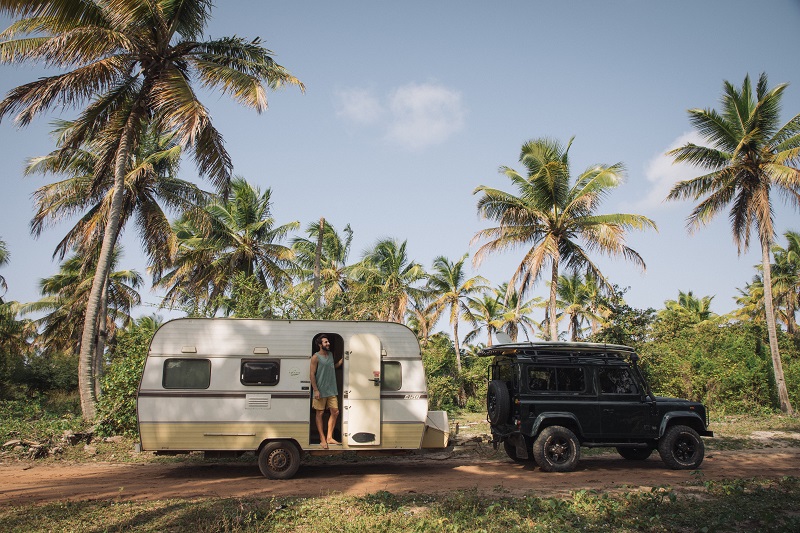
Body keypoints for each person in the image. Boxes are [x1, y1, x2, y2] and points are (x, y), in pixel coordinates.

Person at [310, 335, 343, 448]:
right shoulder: (315, 357)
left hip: (331, 389)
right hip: (320, 390)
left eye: (328, 341)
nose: (328, 343)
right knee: (320, 413)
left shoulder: (330, 354)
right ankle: (322, 438)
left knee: (335, 412)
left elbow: (331, 367)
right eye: (325, 342)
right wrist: (316, 390)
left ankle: (329, 437)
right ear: (320, 344)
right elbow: (312, 374)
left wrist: (342, 360)